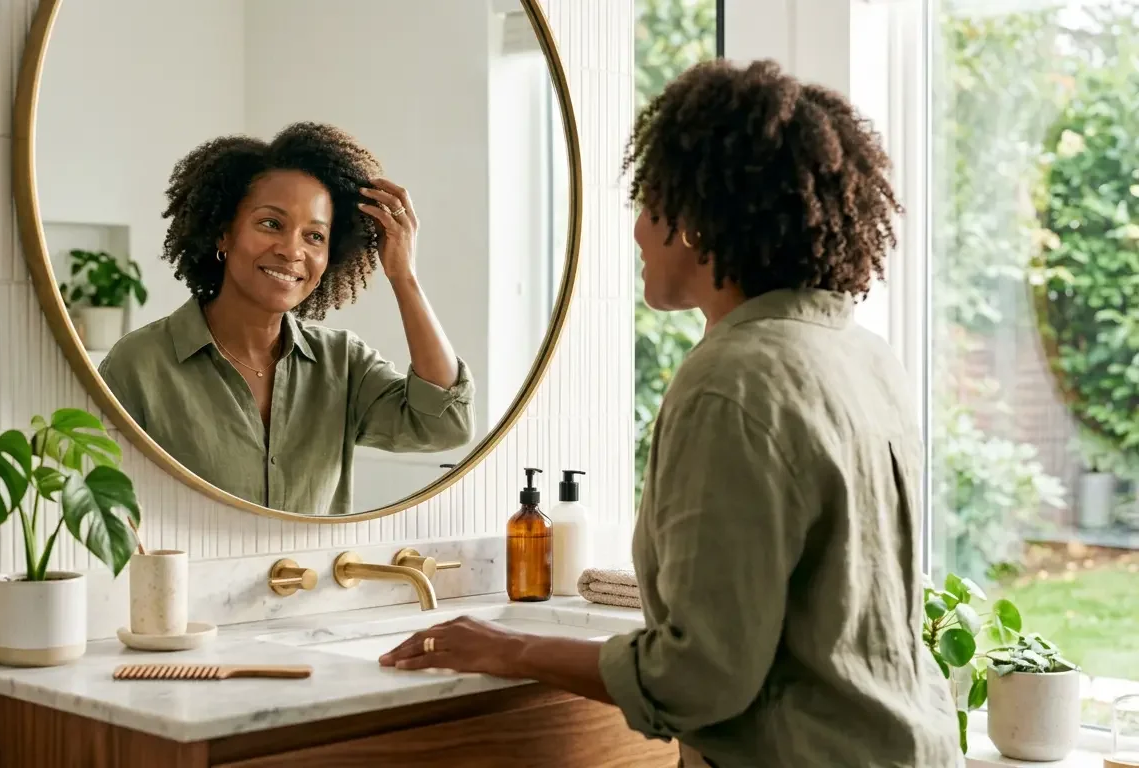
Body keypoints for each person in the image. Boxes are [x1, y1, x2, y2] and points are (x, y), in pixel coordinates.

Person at [379, 60, 962, 766]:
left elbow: (698, 678)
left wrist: (509, 648)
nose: (636, 232)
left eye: (650, 204)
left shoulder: (732, 380)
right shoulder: (864, 356)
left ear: (695, 221)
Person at [99, 123, 475, 516]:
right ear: (224, 233)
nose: (291, 250)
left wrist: (403, 275)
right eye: (271, 224)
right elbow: (104, 506)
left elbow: (446, 424)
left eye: (315, 236)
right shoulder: (139, 364)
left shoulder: (342, 363)